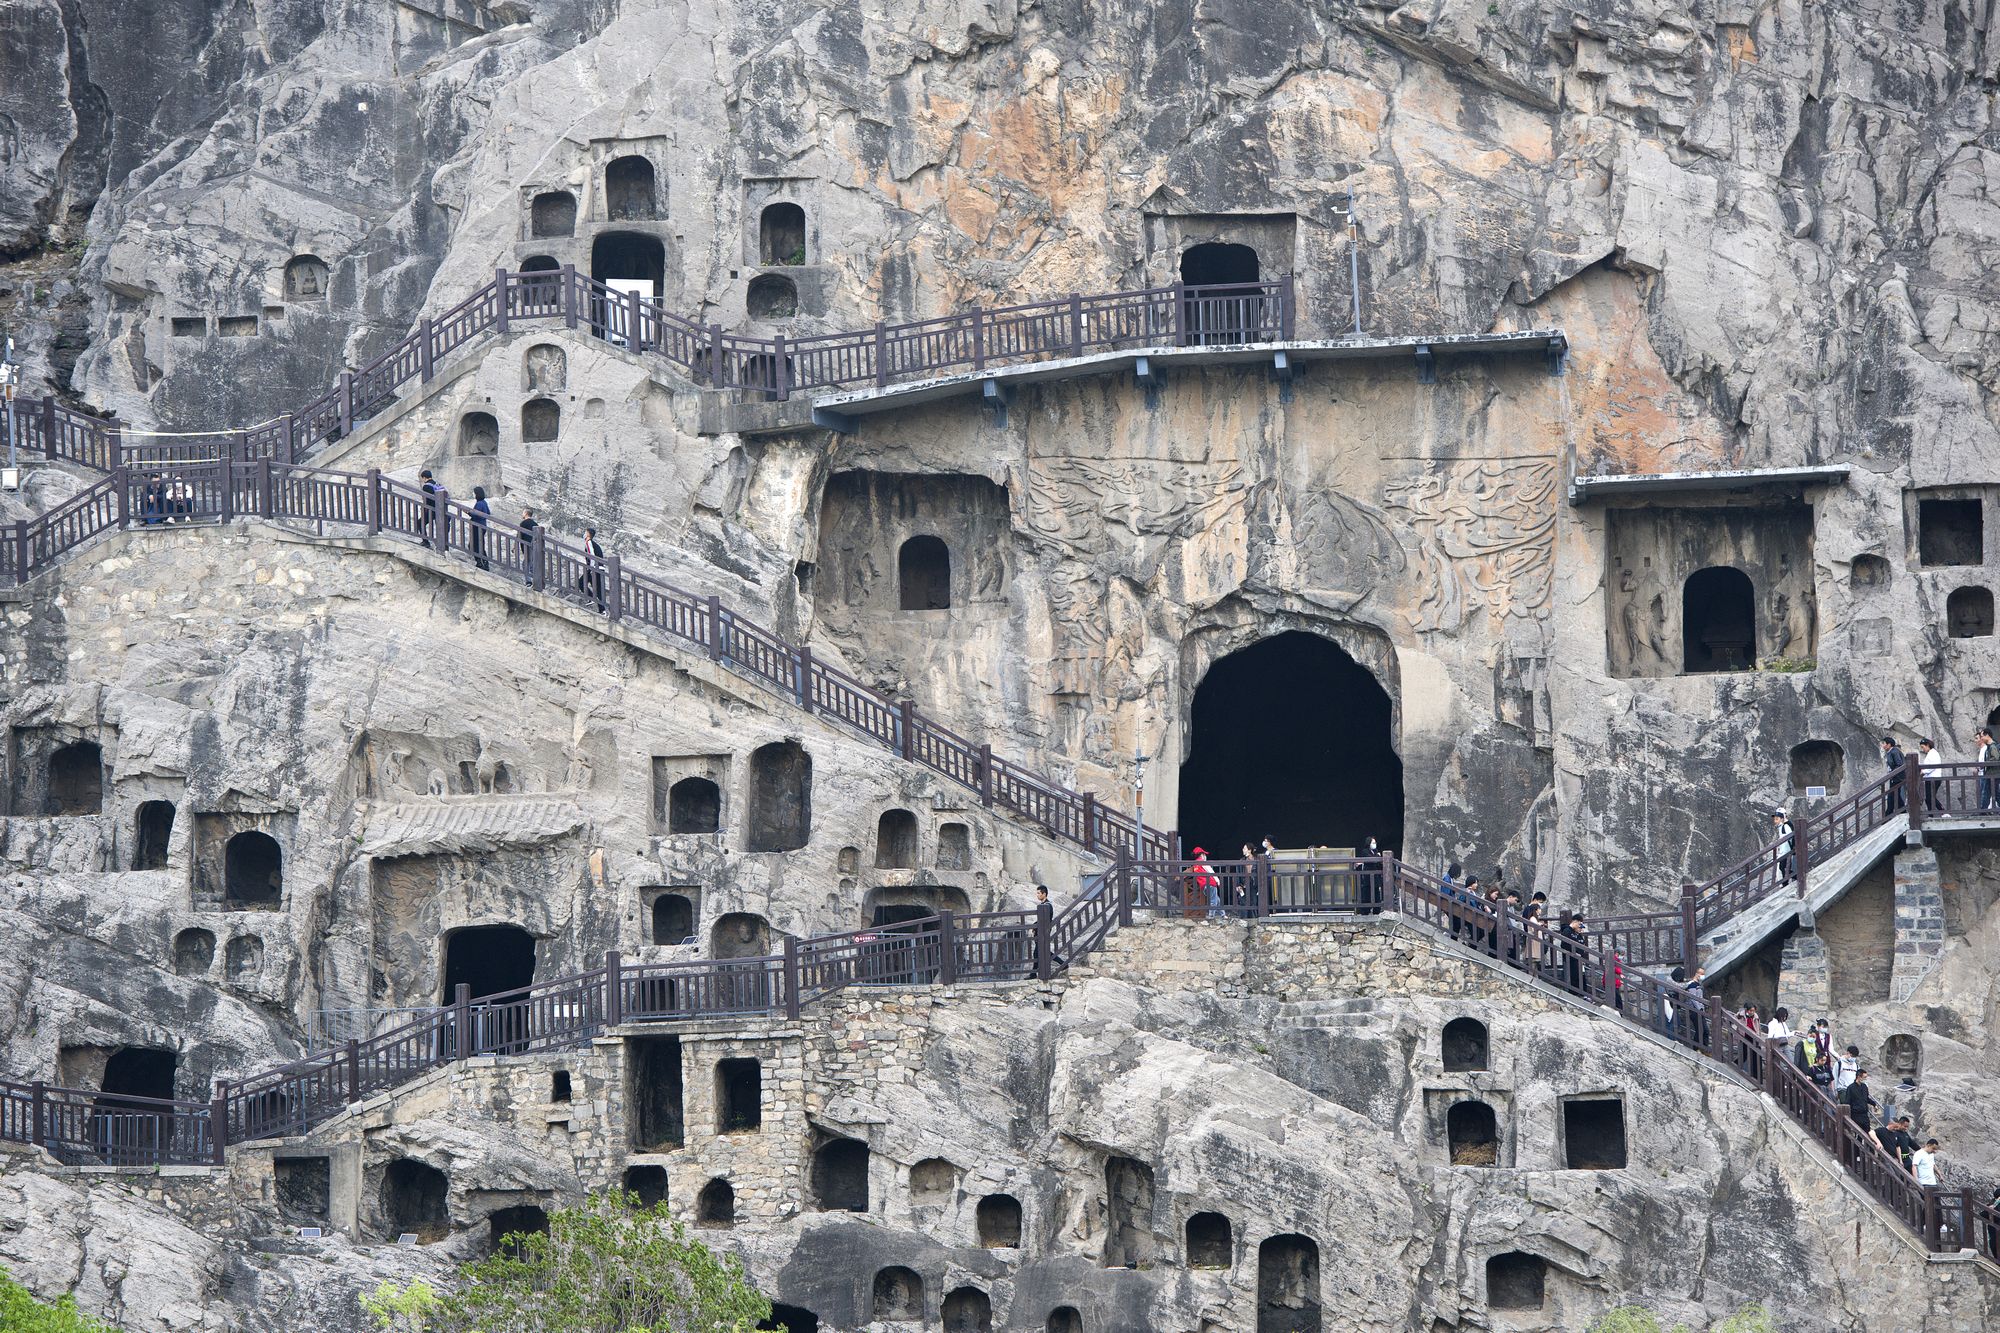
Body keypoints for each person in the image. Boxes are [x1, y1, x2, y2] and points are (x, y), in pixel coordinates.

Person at [1033, 885, 1064, 972]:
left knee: (1038, 952)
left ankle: (1034, 973)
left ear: (1044, 894)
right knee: (1042, 952)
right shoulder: (1043, 905)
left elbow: (1045, 920)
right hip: (1041, 931)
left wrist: (1036, 927)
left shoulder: (1047, 905)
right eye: (1037, 893)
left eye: (1039, 893)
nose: (1037, 895)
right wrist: (1035, 926)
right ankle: (1063, 964)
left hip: (1043, 932)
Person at [577, 525, 606, 612]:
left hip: (594, 568)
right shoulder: (593, 543)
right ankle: (602, 610)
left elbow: (591, 556)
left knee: (581, 582)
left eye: (585, 532)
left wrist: (591, 568)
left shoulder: (589, 542)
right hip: (599, 568)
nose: (584, 534)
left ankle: (591, 598)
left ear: (588, 535)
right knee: (598, 589)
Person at [1190, 847, 1221, 920]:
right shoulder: (1203, 862)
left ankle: (1223, 914)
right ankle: (1211, 916)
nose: (1205, 856)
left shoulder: (1195, 864)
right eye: (1204, 854)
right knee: (1213, 900)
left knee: (1217, 900)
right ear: (1201, 855)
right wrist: (1217, 880)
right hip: (1211, 883)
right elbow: (1210, 871)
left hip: (1203, 885)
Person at [1919, 737, 1945, 813]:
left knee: (1930, 797)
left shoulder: (1933, 753)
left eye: (1923, 747)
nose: (1923, 749)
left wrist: (1923, 772)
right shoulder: (1930, 754)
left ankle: (1943, 811)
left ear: (1927, 745)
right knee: (1929, 798)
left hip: (1933, 779)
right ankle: (1931, 814)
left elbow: (1932, 766)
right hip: (1930, 778)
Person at [1883, 736, 1907, 813]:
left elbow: (1899, 764)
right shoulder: (1890, 752)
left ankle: (1888, 815)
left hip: (1898, 778)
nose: (1882, 745)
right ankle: (1903, 812)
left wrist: (1892, 774)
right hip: (1894, 777)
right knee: (1895, 796)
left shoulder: (1894, 751)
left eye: (1884, 743)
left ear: (1889, 744)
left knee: (1891, 796)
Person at [517, 507, 540, 585]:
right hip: (534, 547)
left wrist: (515, 547)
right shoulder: (535, 524)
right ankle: (537, 581)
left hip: (527, 546)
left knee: (525, 564)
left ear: (526, 513)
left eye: (523, 512)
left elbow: (519, 536)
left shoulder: (523, 523)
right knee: (531, 564)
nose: (522, 514)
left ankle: (529, 581)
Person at [470, 486, 491, 571]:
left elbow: (475, 514)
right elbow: (488, 512)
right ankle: (483, 562)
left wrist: (469, 512)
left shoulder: (479, 503)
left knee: (476, 545)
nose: (473, 494)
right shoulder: (484, 502)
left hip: (477, 526)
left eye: (473, 493)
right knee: (479, 544)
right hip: (482, 525)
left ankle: (481, 562)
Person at [1771, 808, 1795, 880]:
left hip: (1786, 851)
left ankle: (1787, 882)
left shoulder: (1785, 826)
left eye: (1777, 818)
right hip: (1786, 851)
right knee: (1784, 868)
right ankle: (1788, 881)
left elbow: (1788, 839)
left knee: (1783, 868)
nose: (1775, 820)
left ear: (1782, 818)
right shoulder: (1785, 825)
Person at [419, 469, 439, 548]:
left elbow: (427, 499)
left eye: (422, 478)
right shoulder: (437, 484)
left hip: (431, 510)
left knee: (420, 523)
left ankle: (425, 541)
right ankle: (440, 544)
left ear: (424, 478)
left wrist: (424, 508)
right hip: (439, 509)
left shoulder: (426, 486)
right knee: (439, 526)